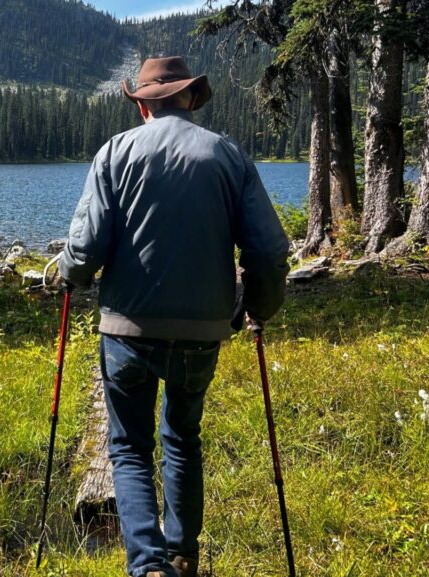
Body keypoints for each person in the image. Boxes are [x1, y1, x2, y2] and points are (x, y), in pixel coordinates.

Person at [58, 56, 289, 577]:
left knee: (129, 448)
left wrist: (69, 275)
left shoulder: (115, 153)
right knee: (183, 438)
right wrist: (258, 305)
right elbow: (271, 253)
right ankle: (182, 554)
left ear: (141, 104)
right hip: (202, 332)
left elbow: (85, 247)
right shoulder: (227, 155)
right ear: (190, 98)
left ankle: (147, 565)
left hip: (126, 332)